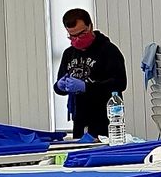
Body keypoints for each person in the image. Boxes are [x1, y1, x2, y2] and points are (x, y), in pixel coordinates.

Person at [53, 8, 129, 141]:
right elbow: (59, 86)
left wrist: (86, 87)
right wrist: (60, 86)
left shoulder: (108, 51)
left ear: (90, 26)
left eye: (81, 35)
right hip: (79, 119)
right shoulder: (69, 53)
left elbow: (120, 83)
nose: (77, 40)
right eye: (72, 36)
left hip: (104, 119)